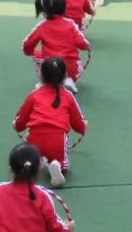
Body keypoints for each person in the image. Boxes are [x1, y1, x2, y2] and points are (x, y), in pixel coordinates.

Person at [13, 58, 88, 188]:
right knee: (62, 163)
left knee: (30, 152)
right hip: (57, 139)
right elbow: (78, 124)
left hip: (34, 137)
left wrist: (16, 125)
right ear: (64, 75)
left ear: (41, 75)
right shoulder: (68, 96)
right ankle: (56, 165)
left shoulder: (34, 95)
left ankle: (36, 161)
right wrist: (84, 126)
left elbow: (21, 120)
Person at [23, 0, 90, 92]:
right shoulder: (70, 24)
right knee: (72, 64)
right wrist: (86, 45)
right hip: (72, 68)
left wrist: (29, 52)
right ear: (64, 7)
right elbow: (82, 43)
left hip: (51, 67)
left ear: (44, 8)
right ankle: (68, 80)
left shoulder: (41, 26)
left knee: (37, 54)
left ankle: (47, 82)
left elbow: (27, 45)